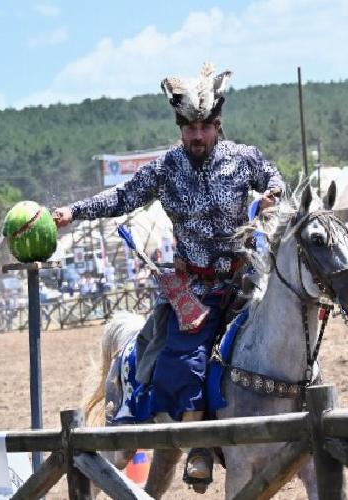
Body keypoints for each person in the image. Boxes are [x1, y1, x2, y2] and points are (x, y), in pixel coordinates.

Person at [52, 63, 284, 485]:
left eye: (205, 127)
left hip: (246, 278)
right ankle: (199, 446)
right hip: (194, 290)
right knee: (185, 363)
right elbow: (122, 197)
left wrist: (273, 195)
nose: (197, 136)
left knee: (284, 336)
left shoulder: (243, 158)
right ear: (180, 127)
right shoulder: (166, 168)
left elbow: (273, 178)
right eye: (189, 128)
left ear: (218, 124)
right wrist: (75, 211)